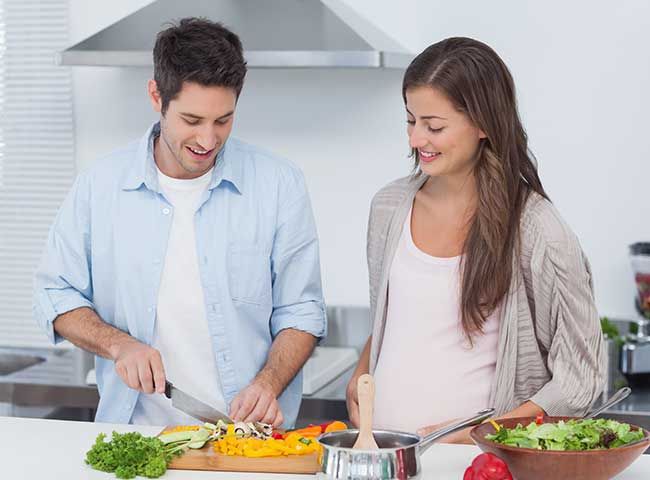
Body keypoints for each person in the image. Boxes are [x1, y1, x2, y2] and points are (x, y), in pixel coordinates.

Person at [33, 18, 326, 428]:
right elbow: (55, 294)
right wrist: (119, 345)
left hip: (248, 443)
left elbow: (302, 310)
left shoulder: (279, 184)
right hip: (135, 438)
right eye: (191, 120)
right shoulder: (99, 187)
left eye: (223, 120)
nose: (208, 140)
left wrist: (268, 383)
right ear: (157, 95)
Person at [346, 37, 604, 443]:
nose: (415, 140)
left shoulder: (536, 229)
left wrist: (484, 434)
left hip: (479, 464)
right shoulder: (389, 207)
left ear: (483, 123)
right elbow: (397, 316)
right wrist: (362, 371)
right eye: (411, 121)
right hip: (385, 451)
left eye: (434, 126)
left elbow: (579, 381)